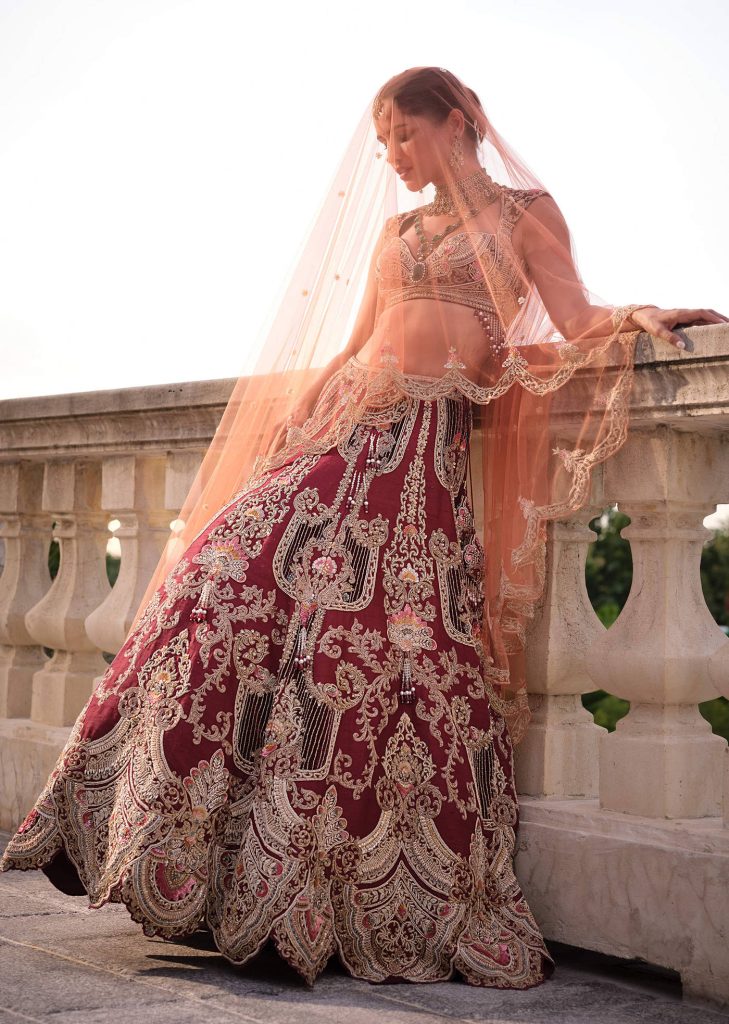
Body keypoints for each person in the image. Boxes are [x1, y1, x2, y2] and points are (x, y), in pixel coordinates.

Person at [1, 66, 725, 990]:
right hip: (340, 435)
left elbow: (575, 315)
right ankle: (163, 844)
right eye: (382, 140)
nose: (392, 156)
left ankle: (310, 887)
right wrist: (292, 430)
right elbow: (352, 345)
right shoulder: (399, 231)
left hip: (420, 458)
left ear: (457, 121)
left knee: (357, 660)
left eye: (404, 135)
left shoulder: (522, 214)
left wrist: (639, 316)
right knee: (212, 582)